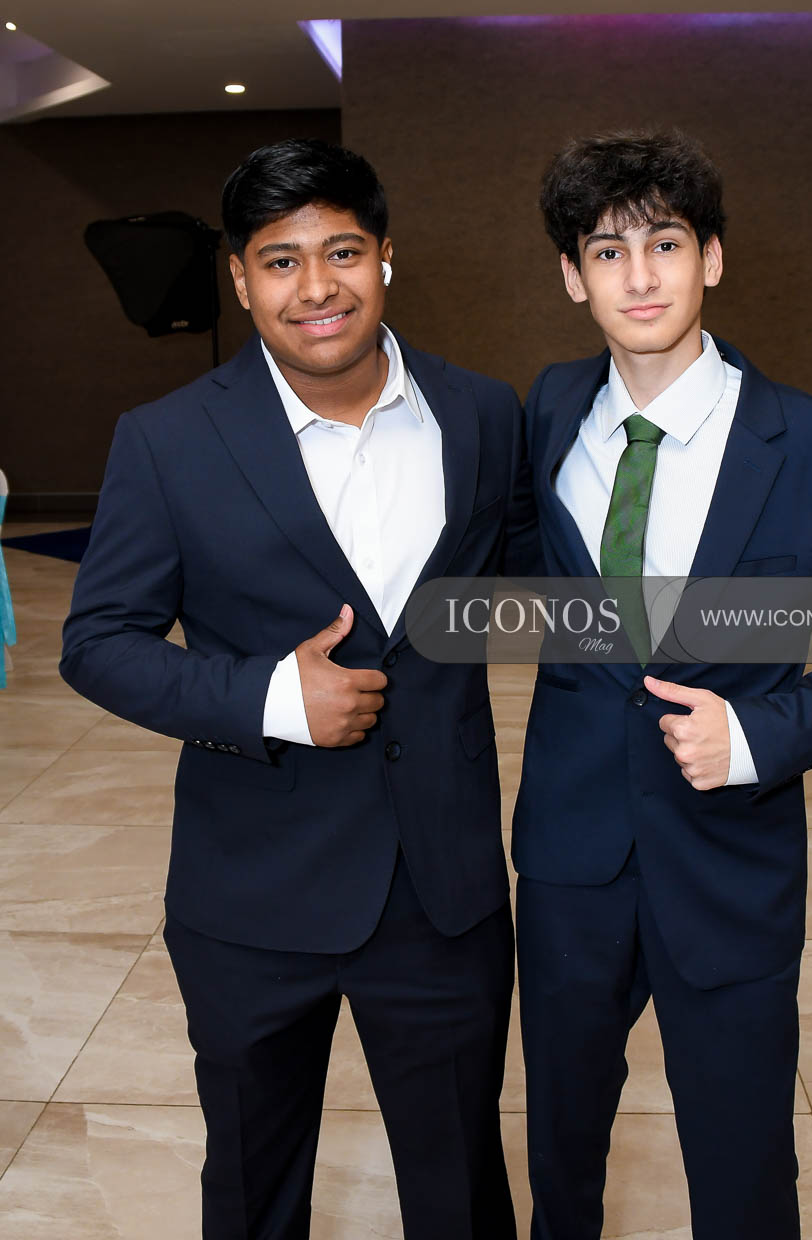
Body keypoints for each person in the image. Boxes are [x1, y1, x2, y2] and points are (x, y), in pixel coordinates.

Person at [60, 138, 529, 1240]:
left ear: (386, 256)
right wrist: (273, 699)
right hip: (250, 892)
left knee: (461, 1189)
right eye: (280, 261)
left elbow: (521, 593)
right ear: (240, 278)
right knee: (253, 1187)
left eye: (343, 252)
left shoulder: (483, 414)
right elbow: (99, 641)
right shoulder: (166, 440)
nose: (316, 287)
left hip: (441, 886)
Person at [511, 129, 812, 1239]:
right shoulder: (547, 412)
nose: (638, 276)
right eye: (607, 252)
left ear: (710, 257)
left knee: (741, 1157)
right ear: (572, 277)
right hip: (569, 854)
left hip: (729, 857)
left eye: (664, 243)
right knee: (559, 1144)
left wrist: (755, 735)